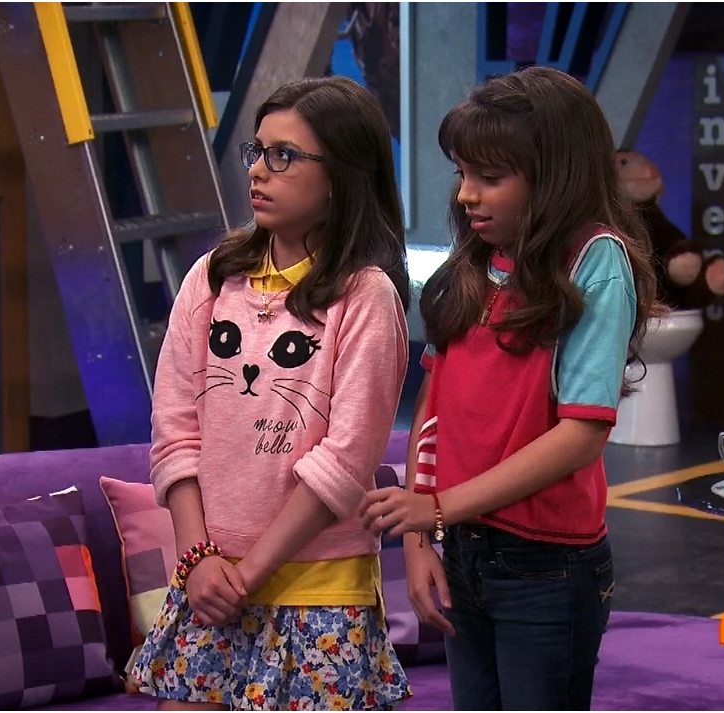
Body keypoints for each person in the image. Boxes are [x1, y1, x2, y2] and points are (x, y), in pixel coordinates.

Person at [359, 66, 659, 710]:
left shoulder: (595, 259)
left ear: (553, 175)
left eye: (490, 177)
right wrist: (420, 539)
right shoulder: (474, 262)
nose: (467, 194)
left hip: (546, 565)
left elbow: (581, 435)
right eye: (462, 173)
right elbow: (434, 410)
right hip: (464, 549)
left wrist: (437, 510)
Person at [129, 75, 412, 711]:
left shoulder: (366, 295)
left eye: (284, 156)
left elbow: (344, 463)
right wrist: (198, 561)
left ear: (340, 176)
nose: (259, 170)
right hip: (208, 580)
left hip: (318, 592)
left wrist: (247, 576)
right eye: (256, 151)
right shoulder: (213, 276)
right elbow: (174, 432)